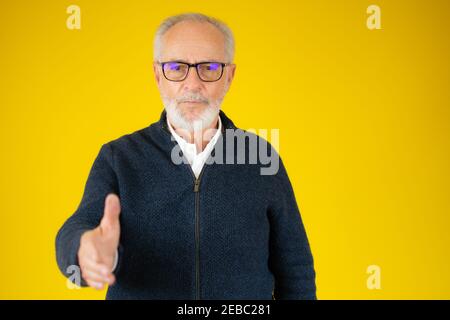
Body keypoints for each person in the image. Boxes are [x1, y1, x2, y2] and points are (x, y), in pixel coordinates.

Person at [55, 12, 316, 300]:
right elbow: (78, 227)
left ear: (229, 76)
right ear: (157, 75)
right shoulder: (119, 157)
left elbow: (296, 271)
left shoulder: (262, 158)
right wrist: (84, 250)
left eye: (209, 67)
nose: (192, 84)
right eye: (177, 68)